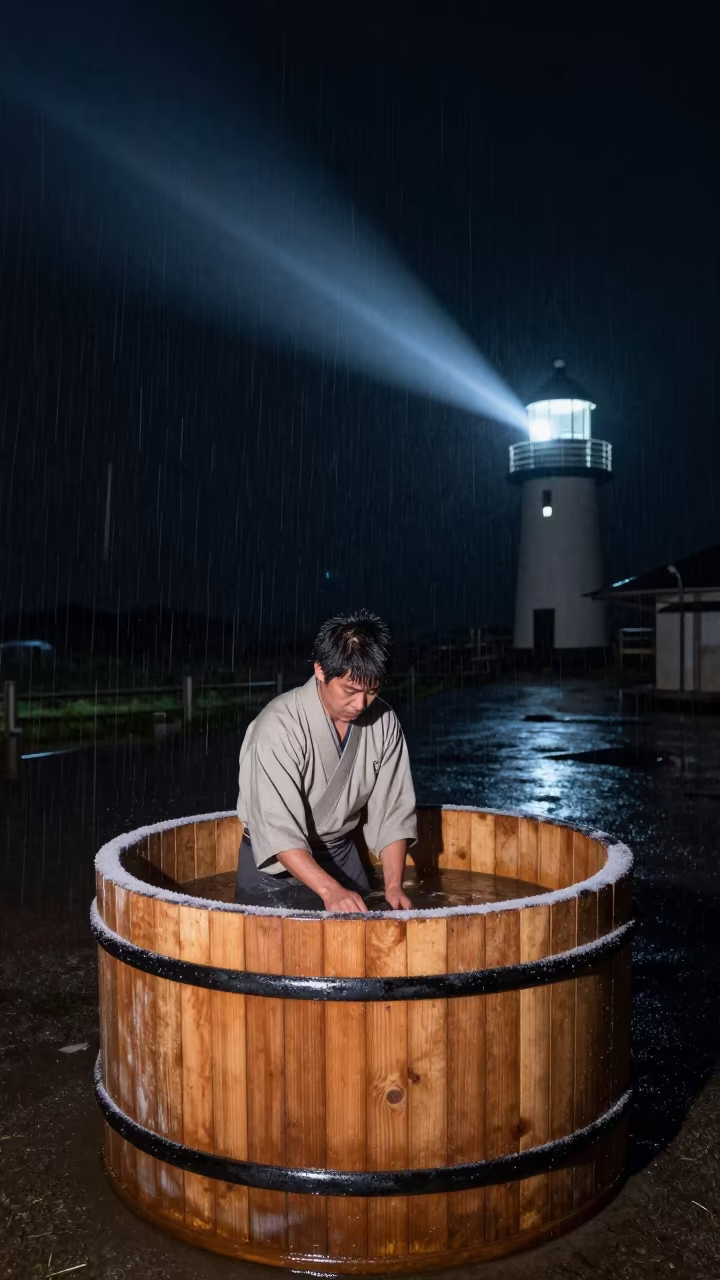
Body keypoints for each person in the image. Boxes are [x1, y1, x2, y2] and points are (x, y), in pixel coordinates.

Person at [235, 610, 417, 913]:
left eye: (372, 691)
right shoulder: (276, 727)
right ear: (320, 670)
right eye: (350, 690)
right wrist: (330, 890)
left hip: (341, 856)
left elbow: (393, 811)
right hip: (275, 868)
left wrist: (393, 885)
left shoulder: (384, 723)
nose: (360, 704)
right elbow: (277, 828)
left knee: (367, 936)